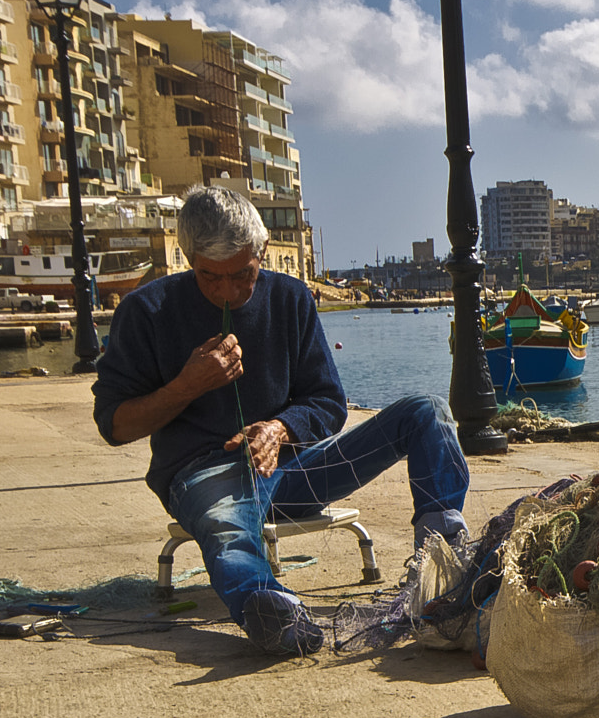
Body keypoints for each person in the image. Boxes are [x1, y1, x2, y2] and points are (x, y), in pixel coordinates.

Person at [92, 186, 471, 655]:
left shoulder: (291, 298)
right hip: (202, 475)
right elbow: (114, 424)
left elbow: (329, 402)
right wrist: (188, 384)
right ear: (188, 258)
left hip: (295, 469)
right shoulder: (146, 311)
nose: (228, 291)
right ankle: (270, 608)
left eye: (244, 276)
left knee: (427, 412)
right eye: (210, 277)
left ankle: (444, 566)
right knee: (228, 531)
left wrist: (281, 428)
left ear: (261, 253)